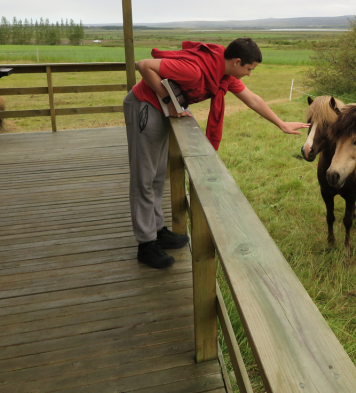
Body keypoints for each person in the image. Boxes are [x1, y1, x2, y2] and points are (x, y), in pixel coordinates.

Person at [123, 37, 309, 268]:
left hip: (161, 111)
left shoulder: (223, 74)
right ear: (237, 61)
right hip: (145, 106)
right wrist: (167, 100)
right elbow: (143, 65)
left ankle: (157, 230)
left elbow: (251, 98)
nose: (249, 74)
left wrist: (280, 123)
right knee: (144, 177)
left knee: (158, 174)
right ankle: (146, 243)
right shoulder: (196, 71)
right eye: (249, 69)